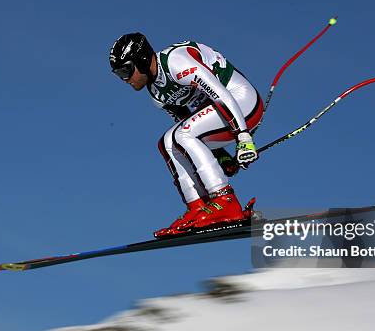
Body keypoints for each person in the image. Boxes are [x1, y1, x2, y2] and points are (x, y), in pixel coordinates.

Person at [109, 33, 264, 237]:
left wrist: (243, 138)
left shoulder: (176, 63)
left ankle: (224, 200)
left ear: (142, 61)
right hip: (223, 118)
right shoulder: (156, 93)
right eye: (119, 74)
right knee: (167, 142)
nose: (125, 79)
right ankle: (198, 205)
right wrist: (220, 155)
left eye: (125, 71)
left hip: (242, 103)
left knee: (183, 135)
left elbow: (220, 93)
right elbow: (190, 121)